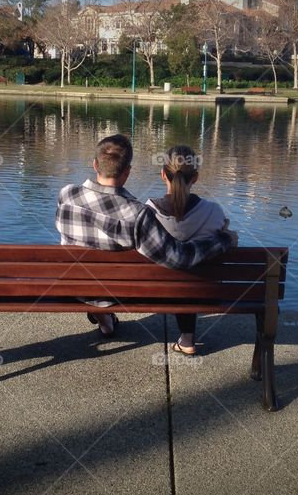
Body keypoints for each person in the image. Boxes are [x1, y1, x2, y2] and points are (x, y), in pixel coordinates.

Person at [56, 134, 237, 338]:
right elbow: (178, 258)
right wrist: (225, 239)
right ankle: (106, 316)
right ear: (128, 172)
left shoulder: (66, 194)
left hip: (75, 286)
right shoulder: (137, 214)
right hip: (117, 292)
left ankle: (104, 319)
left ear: (95, 165)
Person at [145, 145, 225, 355]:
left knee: (176, 277)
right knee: (190, 277)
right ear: (195, 177)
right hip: (206, 292)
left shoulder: (146, 212)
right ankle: (187, 337)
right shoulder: (214, 212)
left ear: (163, 174)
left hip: (151, 292)